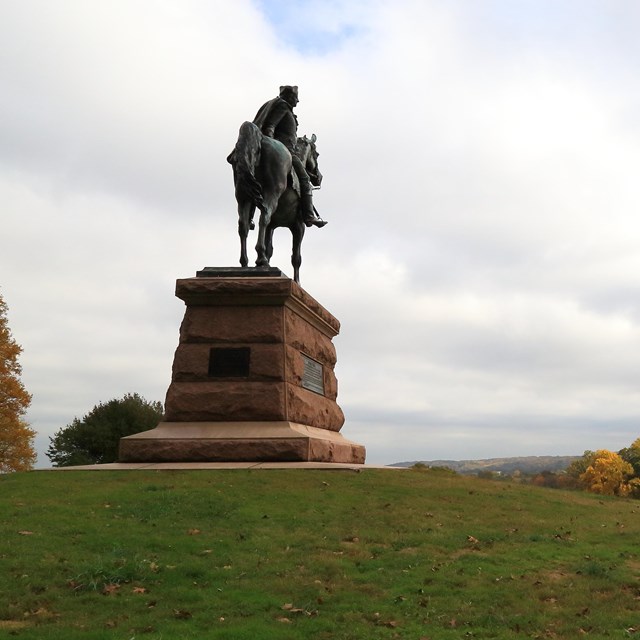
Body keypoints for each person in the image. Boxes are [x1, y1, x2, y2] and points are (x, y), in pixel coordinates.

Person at [253, 86, 327, 228]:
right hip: (286, 152)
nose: (297, 101)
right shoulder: (283, 108)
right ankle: (309, 216)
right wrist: (272, 145)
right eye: (295, 97)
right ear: (288, 97)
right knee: (305, 179)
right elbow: (270, 126)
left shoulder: (286, 110)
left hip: (283, 149)